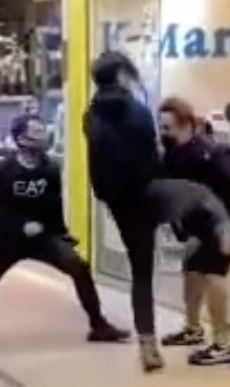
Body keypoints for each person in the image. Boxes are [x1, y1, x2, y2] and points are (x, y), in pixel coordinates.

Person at [0, 114, 128, 344]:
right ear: (22, 139)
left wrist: (61, 233)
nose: (44, 136)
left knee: (78, 267)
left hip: (42, 237)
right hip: (7, 241)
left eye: (44, 131)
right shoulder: (1, 170)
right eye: (38, 133)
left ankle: (99, 326)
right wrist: (20, 225)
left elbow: (53, 205)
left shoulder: (50, 167)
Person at [83, 51, 165, 371]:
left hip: (116, 200)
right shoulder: (138, 111)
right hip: (145, 196)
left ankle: (148, 342)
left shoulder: (91, 115)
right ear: (121, 76)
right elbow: (152, 156)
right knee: (144, 272)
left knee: (138, 267)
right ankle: (148, 345)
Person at [157, 97, 230, 365]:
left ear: (186, 125)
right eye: (161, 128)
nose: (164, 134)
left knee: (213, 274)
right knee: (191, 268)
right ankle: (193, 329)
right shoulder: (171, 157)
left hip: (225, 222)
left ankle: (222, 344)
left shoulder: (214, 155)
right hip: (200, 225)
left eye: (168, 128)